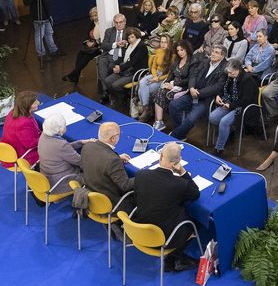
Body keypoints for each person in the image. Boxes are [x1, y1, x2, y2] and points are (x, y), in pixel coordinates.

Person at [133, 142, 200, 273]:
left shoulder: (141, 175)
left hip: (139, 230)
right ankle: (175, 258)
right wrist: (183, 172)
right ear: (178, 161)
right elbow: (195, 193)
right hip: (165, 238)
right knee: (196, 221)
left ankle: (173, 260)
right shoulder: (179, 184)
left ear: (160, 156)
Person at [168, 46, 227, 141]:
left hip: (205, 99)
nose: (212, 54)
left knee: (191, 118)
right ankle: (180, 134)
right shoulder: (205, 61)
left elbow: (217, 87)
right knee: (173, 105)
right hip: (192, 93)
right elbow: (193, 75)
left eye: (216, 52)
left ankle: (175, 136)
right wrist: (191, 87)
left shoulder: (225, 67)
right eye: (212, 51)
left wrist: (198, 93)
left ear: (222, 55)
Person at [207, 59, 258, 155]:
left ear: (238, 69)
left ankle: (219, 149)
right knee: (212, 117)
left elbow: (247, 100)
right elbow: (222, 88)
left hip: (243, 108)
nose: (229, 75)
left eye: (231, 73)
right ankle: (228, 131)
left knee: (224, 122)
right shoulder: (230, 76)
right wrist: (218, 95)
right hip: (230, 103)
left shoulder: (248, 80)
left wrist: (231, 105)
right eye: (228, 73)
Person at [80, 122, 134, 208]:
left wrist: (116, 157)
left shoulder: (87, 146)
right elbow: (125, 186)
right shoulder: (112, 160)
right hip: (111, 202)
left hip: (90, 195)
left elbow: (88, 164)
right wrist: (142, 176)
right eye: (119, 134)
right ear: (113, 139)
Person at [37, 114, 93, 193]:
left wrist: (81, 142)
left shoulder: (44, 135)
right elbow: (80, 161)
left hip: (47, 176)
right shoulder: (61, 145)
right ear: (60, 130)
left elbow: (61, 150)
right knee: (93, 174)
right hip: (61, 182)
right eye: (65, 125)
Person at [101, 27, 149, 108]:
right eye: (129, 38)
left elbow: (132, 62)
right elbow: (125, 60)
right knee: (107, 81)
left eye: (132, 37)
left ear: (136, 36)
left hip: (135, 72)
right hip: (126, 69)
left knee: (115, 85)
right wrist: (119, 66)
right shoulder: (130, 45)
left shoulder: (141, 46)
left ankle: (123, 99)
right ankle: (118, 99)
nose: (130, 39)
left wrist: (120, 67)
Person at [23, 0, 64, 66]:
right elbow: (26, 2)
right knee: (39, 35)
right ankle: (41, 54)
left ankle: (53, 50)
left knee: (49, 33)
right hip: (37, 16)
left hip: (46, 13)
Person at [0, 91, 42, 168]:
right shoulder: (23, 123)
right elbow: (30, 144)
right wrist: (46, 136)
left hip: (11, 149)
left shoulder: (12, 113)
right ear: (27, 105)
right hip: (23, 155)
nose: (38, 103)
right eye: (35, 102)